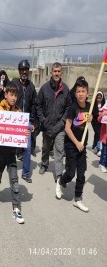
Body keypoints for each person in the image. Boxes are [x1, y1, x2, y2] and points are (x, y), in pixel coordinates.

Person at [0, 82, 29, 224]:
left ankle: (16, 209)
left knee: (14, 180)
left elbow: (22, 131)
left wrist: (26, 132)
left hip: (12, 153)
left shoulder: (18, 112)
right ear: (6, 95)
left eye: (16, 95)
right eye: (11, 95)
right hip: (0, 151)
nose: (13, 98)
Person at [56, 79, 92, 212]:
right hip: (72, 145)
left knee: (81, 174)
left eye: (83, 91)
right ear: (75, 94)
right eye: (78, 92)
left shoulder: (89, 106)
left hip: (82, 146)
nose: (81, 94)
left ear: (87, 93)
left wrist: (91, 118)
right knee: (71, 173)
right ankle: (61, 181)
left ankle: (78, 199)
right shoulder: (72, 108)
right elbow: (67, 128)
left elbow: (93, 121)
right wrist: (76, 142)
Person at [35, 62, 71, 180]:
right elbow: (38, 105)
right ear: (51, 72)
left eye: (58, 71)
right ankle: (44, 164)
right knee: (45, 148)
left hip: (60, 126)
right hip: (47, 126)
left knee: (59, 150)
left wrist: (62, 121)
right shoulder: (44, 88)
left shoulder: (65, 89)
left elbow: (69, 107)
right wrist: (43, 120)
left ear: (61, 72)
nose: (56, 73)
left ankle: (59, 173)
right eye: (54, 71)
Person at [12, 60, 37, 183]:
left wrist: (32, 122)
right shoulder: (13, 84)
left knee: (27, 148)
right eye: (22, 69)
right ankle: (11, 169)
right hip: (13, 120)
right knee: (10, 147)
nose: (24, 71)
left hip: (26, 121)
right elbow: (6, 100)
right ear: (19, 71)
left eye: (26, 69)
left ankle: (26, 173)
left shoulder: (31, 87)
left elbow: (34, 105)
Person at [92, 91, 105, 156]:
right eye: (98, 98)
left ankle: (95, 147)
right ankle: (98, 148)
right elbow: (93, 111)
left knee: (99, 134)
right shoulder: (93, 104)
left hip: (101, 121)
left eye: (100, 98)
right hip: (95, 121)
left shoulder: (104, 103)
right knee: (98, 133)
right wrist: (98, 113)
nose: (99, 99)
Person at [97, 102, 107, 173]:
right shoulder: (104, 110)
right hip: (105, 135)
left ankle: (102, 163)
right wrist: (102, 115)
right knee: (105, 150)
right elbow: (99, 119)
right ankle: (102, 164)